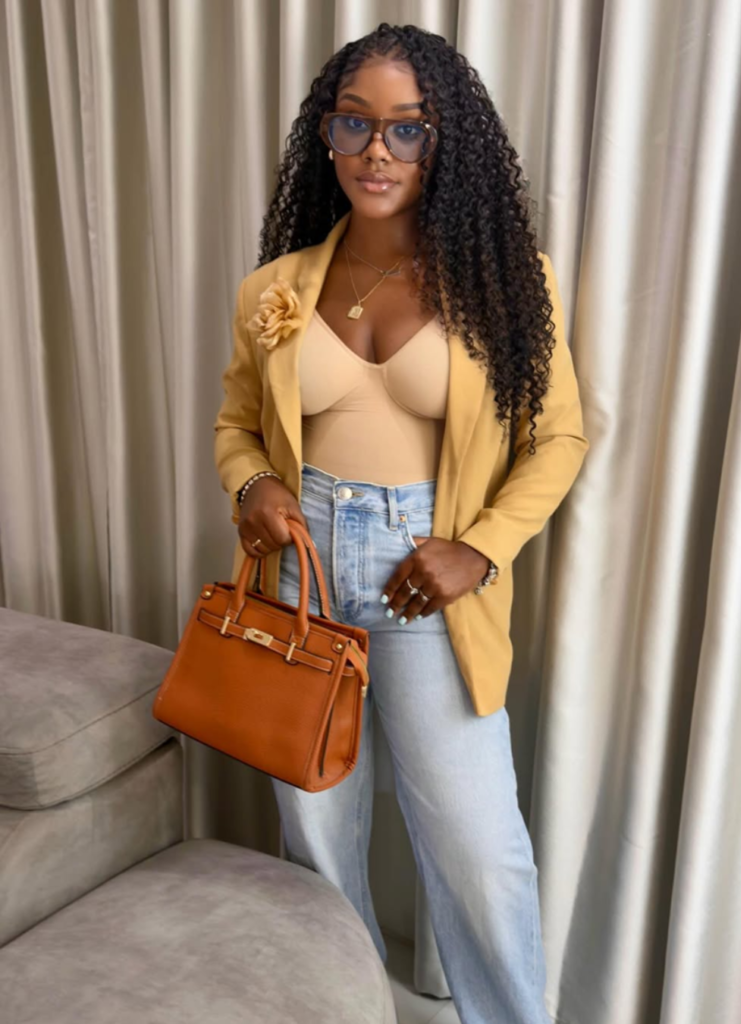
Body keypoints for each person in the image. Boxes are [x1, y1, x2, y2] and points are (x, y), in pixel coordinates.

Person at [214, 22, 589, 1024]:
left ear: (442, 142)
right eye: (355, 124)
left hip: (424, 579)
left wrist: (481, 548)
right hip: (303, 577)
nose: (376, 150)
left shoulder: (506, 282)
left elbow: (558, 438)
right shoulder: (274, 290)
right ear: (326, 136)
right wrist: (253, 488)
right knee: (318, 843)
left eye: (406, 129)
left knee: (479, 850)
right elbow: (237, 425)